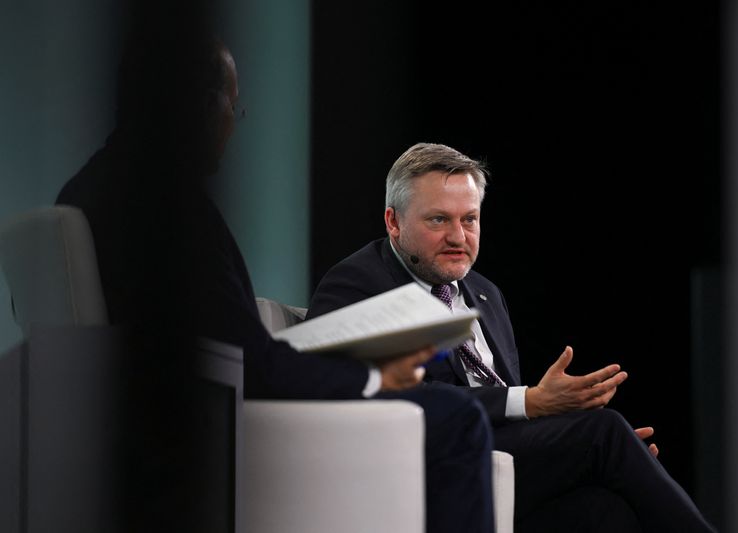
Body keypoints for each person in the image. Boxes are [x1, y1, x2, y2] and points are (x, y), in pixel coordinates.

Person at [56, 18, 495, 533]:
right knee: (456, 417)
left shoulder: (87, 188)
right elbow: (252, 364)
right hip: (217, 425)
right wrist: (375, 376)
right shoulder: (167, 212)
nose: (232, 124)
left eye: (469, 219)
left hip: (149, 421)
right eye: (231, 106)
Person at [307, 142, 719, 533]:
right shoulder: (359, 284)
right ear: (393, 222)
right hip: (426, 465)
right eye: (438, 220)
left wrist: (612, 459)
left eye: (469, 219)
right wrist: (535, 404)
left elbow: (510, 418)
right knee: (604, 434)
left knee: (608, 509)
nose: (458, 236)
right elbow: (381, 396)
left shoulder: (485, 293)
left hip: (497, 463)